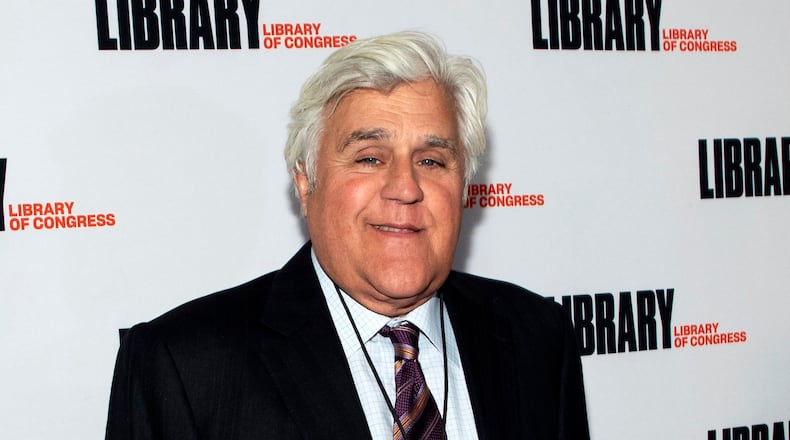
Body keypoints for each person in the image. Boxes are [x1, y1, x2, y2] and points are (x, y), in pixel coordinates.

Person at [105, 31, 590, 440]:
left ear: (464, 186)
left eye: (432, 161)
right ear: (305, 180)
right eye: (370, 158)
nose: (405, 188)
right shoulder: (185, 367)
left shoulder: (538, 338)